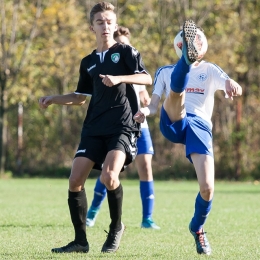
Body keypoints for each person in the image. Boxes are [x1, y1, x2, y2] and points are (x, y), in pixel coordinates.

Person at [39, 2, 152, 254]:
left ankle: (115, 228)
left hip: (122, 125)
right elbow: (80, 97)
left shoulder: (125, 52)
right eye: (100, 22)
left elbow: (147, 78)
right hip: (94, 127)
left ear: (114, 24)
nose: (106, 26)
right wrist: (52, 99)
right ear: (92, 26)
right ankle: (80, 241)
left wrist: (120, 78)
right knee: (75, 179)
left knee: (109, 177)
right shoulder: (88, 61)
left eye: (110, 21)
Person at [134, 19, 242, 255]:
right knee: (176, 94)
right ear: (180, 46)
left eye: (199, 40)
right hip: (174, 119)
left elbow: (231, 84)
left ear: (203, 46)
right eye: (191, 41)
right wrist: (144, 111)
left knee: (207, 189)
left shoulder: (211, 70)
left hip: (200, 127)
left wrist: (233, 84)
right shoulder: (164, 71)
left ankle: (197, 228)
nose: (197, 42)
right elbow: (153, 105)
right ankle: (185, 64)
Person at [86, 26, 160, 230]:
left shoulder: (136, 67)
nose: (127, 50)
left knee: (146, 167)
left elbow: (144, 95)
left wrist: (146, 103)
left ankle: (148, 218)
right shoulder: (110, 70)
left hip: (140, 127)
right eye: (122, 46)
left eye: (128, 45)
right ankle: (92, 212)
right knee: (110, 171)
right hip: (117, 126)